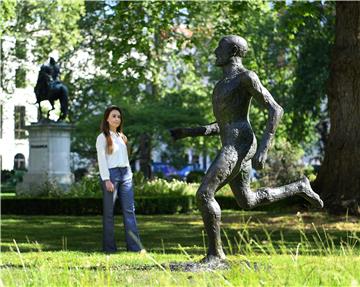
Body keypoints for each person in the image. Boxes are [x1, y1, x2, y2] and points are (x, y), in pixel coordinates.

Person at [170, 35, 323, 263]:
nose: (214, 51)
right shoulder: (220, 85)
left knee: (204, 194)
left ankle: (215, 255)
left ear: (232, 51)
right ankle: (299, 187)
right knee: (248, 201)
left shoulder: (246, 78)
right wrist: (189, 132)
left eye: (219, 47)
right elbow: (222, 125)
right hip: (231, 141)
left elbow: (275, 110)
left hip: (240, 143)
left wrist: (263, 148)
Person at [96, 105, 143, 253]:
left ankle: (134, 248)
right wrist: (106, 179)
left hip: (126, 175)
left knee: (130, 211)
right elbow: (102, 160)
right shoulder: (102, 137)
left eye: (119, 116)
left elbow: (125, 158)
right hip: (111, 175)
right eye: (114, 116)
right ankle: (109, 249)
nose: (117, 119)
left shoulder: (122, 137)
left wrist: (129, 174)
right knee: (109, 213)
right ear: (107, 119)